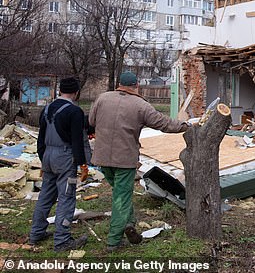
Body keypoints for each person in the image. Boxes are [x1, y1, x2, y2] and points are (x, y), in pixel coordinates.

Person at [89, 71, 189, 251]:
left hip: (102, 157)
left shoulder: (102, 98)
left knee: (121, 194)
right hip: (125, 159)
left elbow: (91, 120)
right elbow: (163, 123)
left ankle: (129, 223)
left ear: (119, 83)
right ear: (136, 86)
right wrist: (185, 126)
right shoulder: (140, 105)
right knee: (121, 197)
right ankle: (113, 241)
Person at [29, 77, 89, 251]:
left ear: (60, 90)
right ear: (76, 92)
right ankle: (62, 240)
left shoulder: (47, 109)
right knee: (66, 197)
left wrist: (43, 160)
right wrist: (83, 164)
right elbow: (77, 141)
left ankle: (36, 233)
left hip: (47, 155)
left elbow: (41, 138)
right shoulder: (74, 112)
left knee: (45, 196)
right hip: (64, 158)